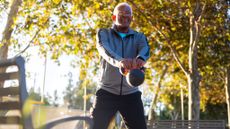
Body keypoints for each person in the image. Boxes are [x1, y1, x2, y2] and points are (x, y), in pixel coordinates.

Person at [91, 2, 150, 129]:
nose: (125, 17)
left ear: (132, 18)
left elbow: (145, 50)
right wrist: (120, 61)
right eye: (121, 14)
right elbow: (105, 51)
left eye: (128, 14)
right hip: (106, 92)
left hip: (131, 94)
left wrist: (140, 59)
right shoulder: (103, 33)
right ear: (113, 17)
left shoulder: (139, 37)